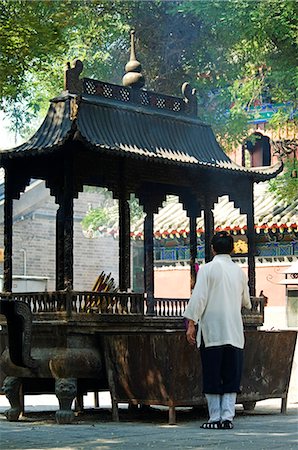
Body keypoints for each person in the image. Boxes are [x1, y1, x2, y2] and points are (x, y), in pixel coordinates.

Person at [183, 231, 251, 430]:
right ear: (232, 249)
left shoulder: (207, 269)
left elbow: (199, 298)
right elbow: (246, 301)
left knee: (212, 373)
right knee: (231, 374)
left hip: (212, 332)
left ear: (212, 249)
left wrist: (191, 324)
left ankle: (214, 417)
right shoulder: (239, 272)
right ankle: (227, 417)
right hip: (234, 332)